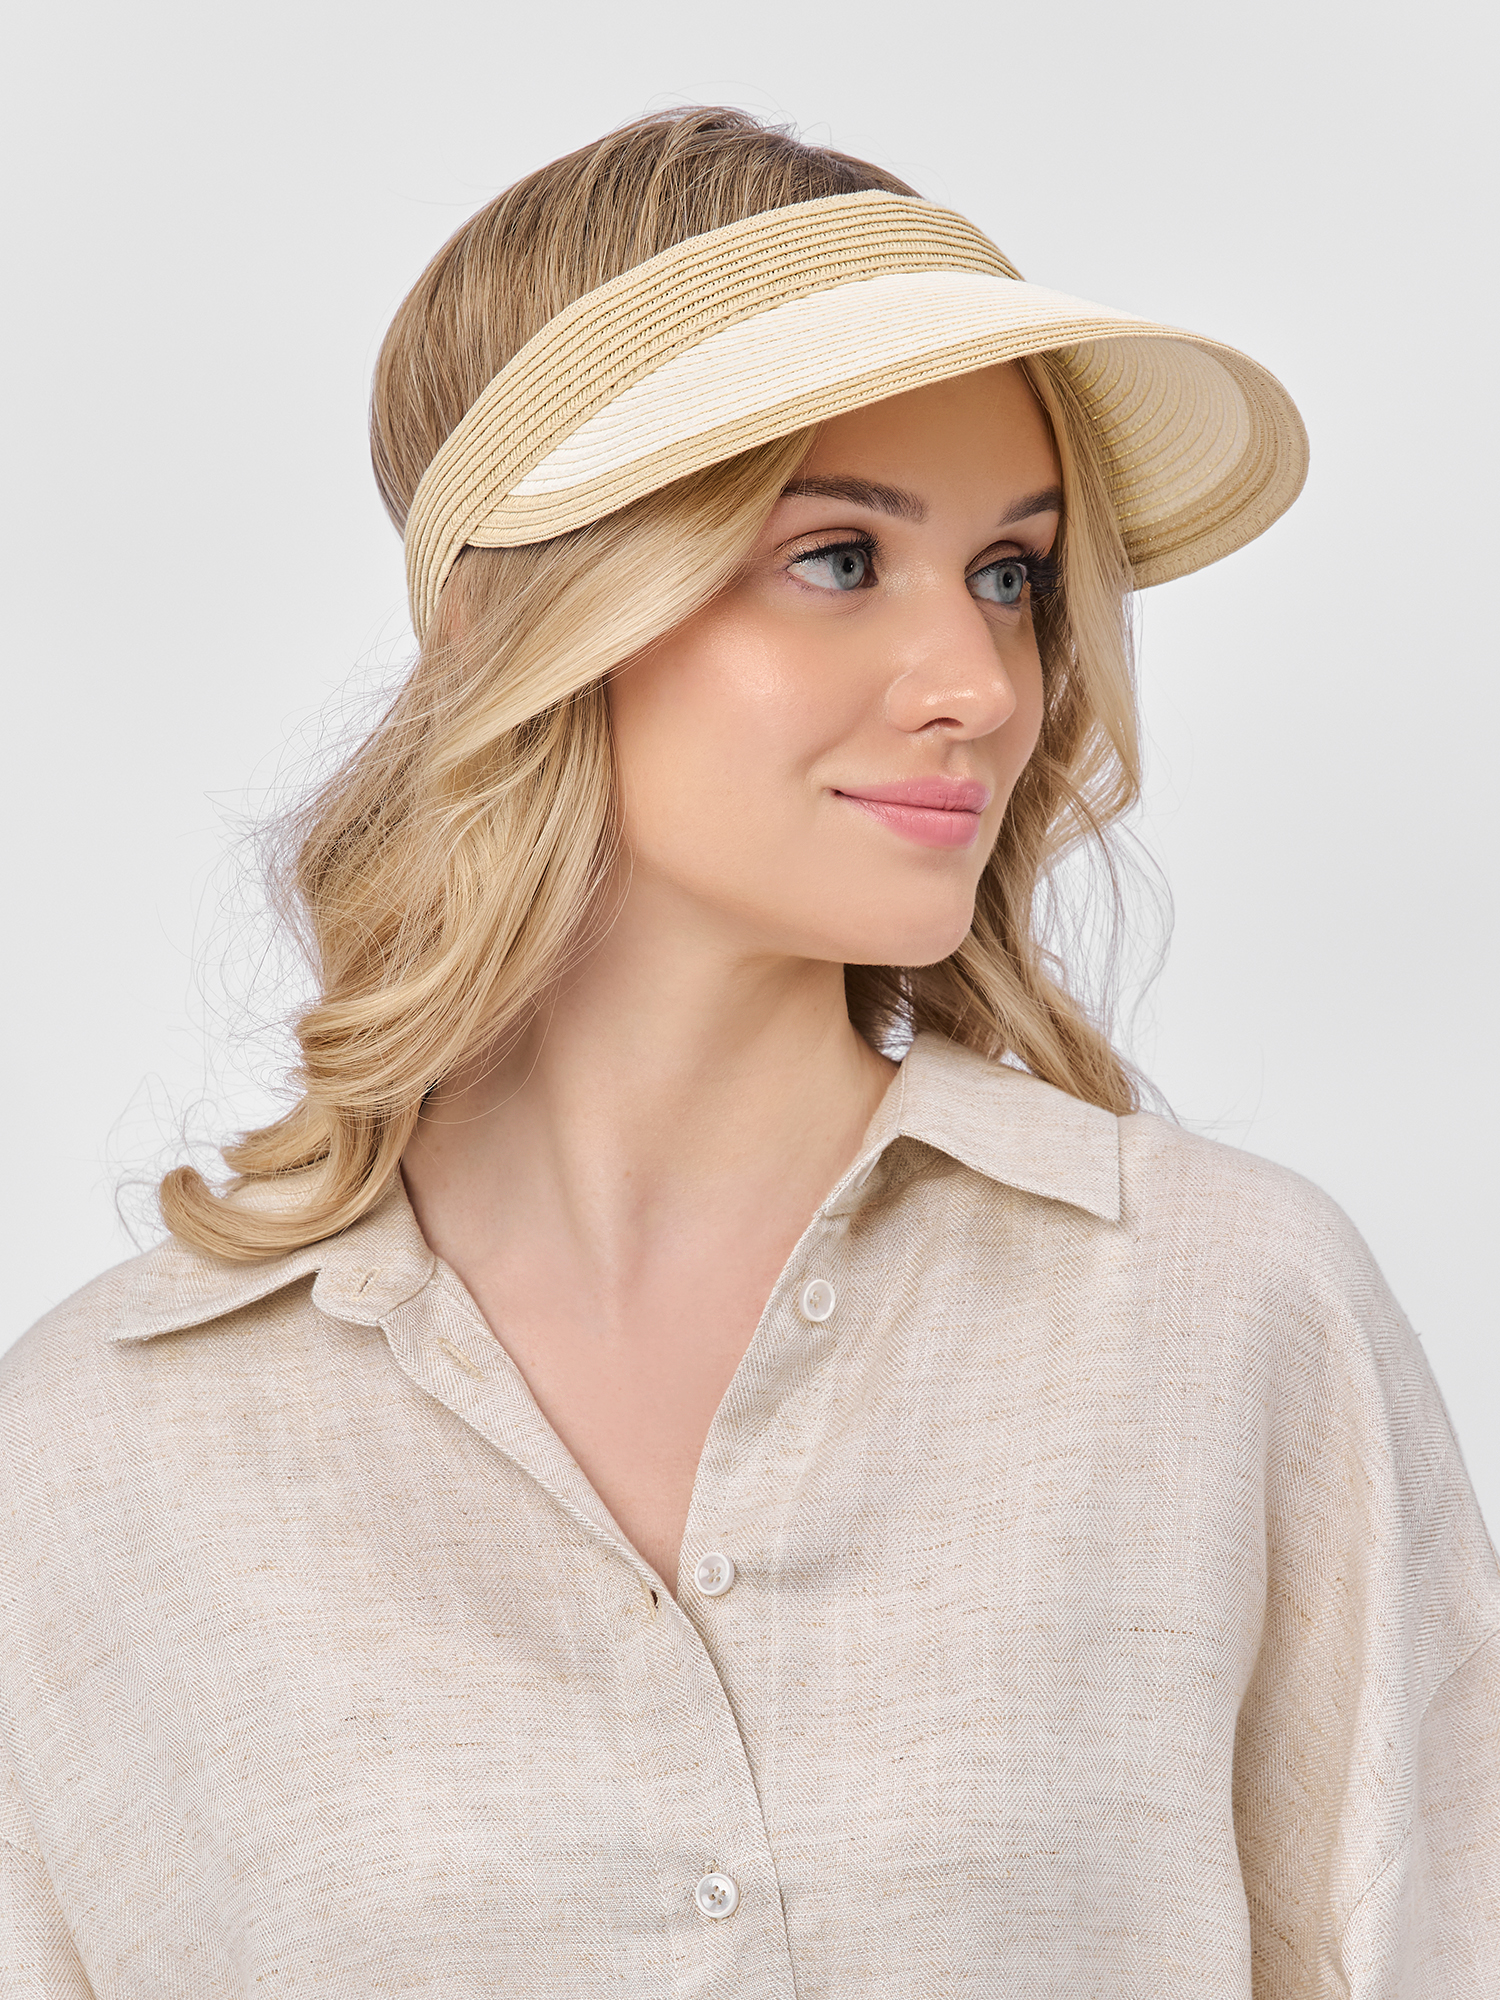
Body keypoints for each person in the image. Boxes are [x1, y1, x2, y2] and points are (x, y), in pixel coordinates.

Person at [1, 104, 1495, 1999]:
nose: (980, 685)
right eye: (839, 558)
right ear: (512, 622)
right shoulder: (95, 1460)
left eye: (1013, 574)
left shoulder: (1225, 1317)